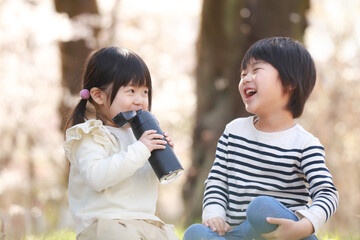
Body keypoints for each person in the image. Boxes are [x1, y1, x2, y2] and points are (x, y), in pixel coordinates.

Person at [183, 37, 339, 240]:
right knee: (195, 233)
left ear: (290, 82)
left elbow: (327, 193)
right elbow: (217, 181)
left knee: (261, 208)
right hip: (238, 234)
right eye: (243, 73)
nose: (246, 78)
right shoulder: (234, 131)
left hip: (282, 236)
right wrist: (214, 214)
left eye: (256, 70)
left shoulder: (305, 145)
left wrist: (304, 226)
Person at [63, 46, 179, 240]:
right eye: (131, 91)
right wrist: (141, 149)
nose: (140, 100)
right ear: (98, 96)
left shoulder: (138, 136)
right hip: (105, 226)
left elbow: (143, 178)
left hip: (145, 222)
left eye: (145, 92)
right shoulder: (91, 134)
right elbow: (97, 177)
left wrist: (162, 155)